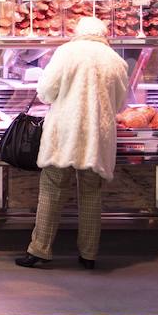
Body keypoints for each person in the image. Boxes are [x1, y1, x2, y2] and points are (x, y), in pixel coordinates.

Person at [16, 16, 129, 270]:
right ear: (103, 33)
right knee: (91, 194)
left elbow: (45, 92)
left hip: (64, 133)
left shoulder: (66, 52)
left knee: (52, 190)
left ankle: (40, 250)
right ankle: (88, 254)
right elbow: (121, 104)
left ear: (78, 32)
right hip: (98, 136)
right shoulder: (116, 60)